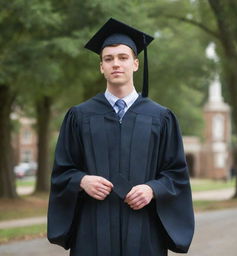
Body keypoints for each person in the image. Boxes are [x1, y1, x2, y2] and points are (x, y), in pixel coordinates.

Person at [47, 18, 194, 256]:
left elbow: (175, 174)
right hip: (92, 231)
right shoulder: (79, 116)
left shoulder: (161, 117)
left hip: (144, 232)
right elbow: (63, 171)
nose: (116, 64)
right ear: (101, 67)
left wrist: (152, 189)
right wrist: (82, 181)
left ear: (135, 64)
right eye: (108, 58)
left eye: (123, 57)